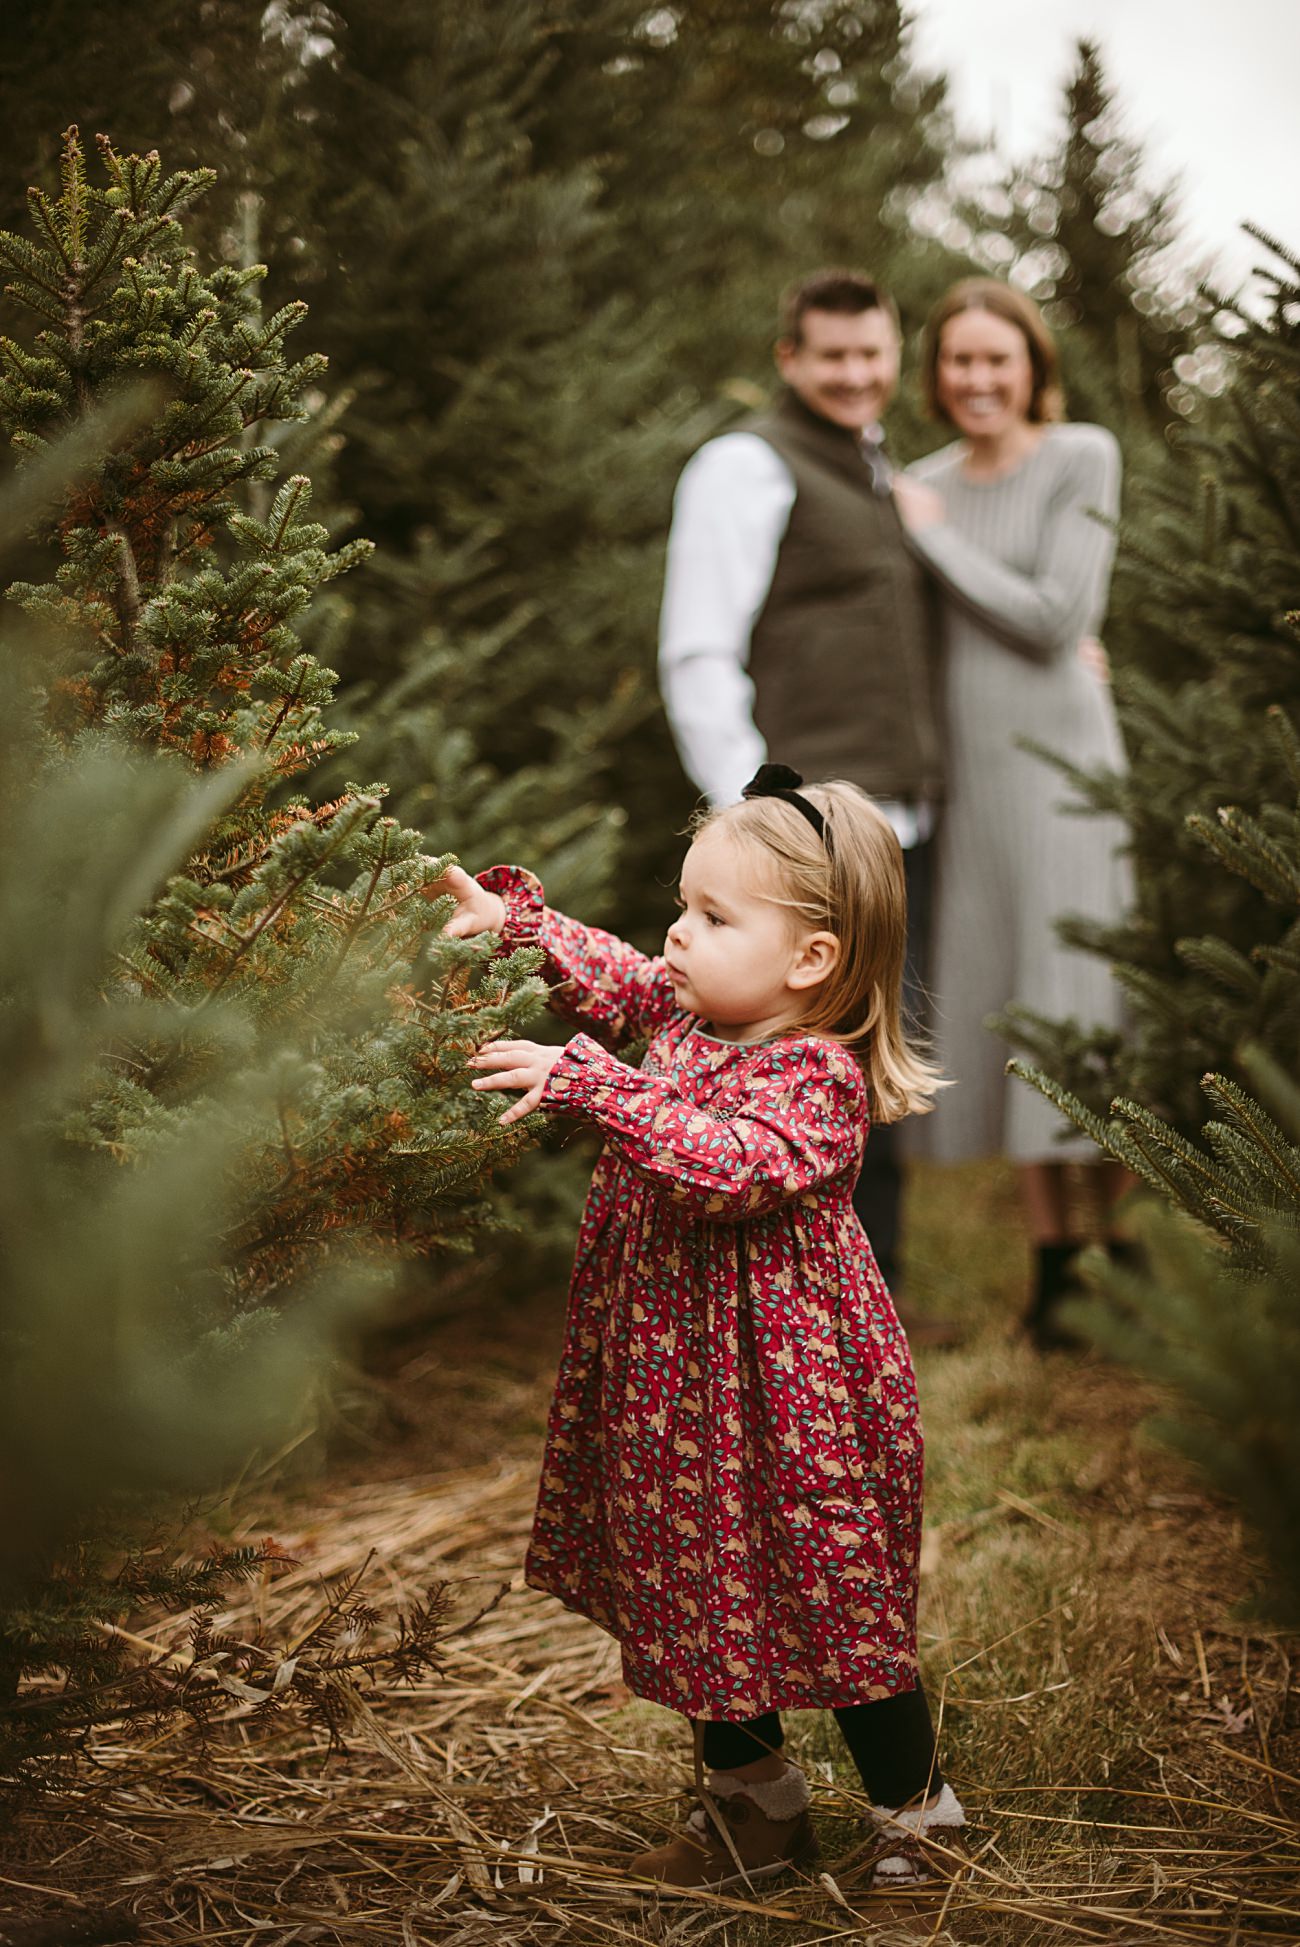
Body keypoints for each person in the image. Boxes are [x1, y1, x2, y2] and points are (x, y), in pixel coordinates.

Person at [431, 766, 967, 1894]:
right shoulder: (682, 1016)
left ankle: (917, 1817)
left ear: (810, 959)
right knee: (699, 1584)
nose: (675, 936)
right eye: (684, 904)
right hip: (676, 1389)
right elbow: (619, 976)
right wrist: (520, 930)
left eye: (712, 917)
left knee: (832, 1584)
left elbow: (729, 1171)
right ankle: (755, 1815)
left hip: (790, 1396)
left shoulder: (814, 1075)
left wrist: (594, 1088)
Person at [658, 269, 951, 1339]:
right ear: (789, 358)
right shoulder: (744, 466)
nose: (856, 373)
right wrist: (756, 823)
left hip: (897, 824)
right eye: (831, 355)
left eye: (873, 353)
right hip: (807, 832)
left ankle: (874, 1298)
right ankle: (802, 1315)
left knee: (864, 1059)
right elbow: (699, 652)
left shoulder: (882, 472)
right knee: (795, 1065)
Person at [892, 278, 1132, 1345]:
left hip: (1065, 767)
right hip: (973, 783)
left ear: (1032, 365)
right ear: (935, 376)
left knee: (1084, 996)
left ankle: (1120, 1239)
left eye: (999, 359)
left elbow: (1054, 618)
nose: (979, 379)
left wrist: (934, 541)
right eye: (959, 361)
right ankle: (1052, 1270)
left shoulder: (1080, 455)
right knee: (1012, 1003)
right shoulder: (920, 481)